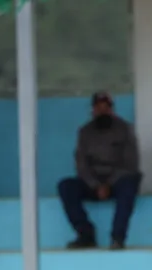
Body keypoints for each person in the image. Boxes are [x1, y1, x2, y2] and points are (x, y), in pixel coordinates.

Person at [57, 91, 141, 250]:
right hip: (93, 183)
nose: (102, 111)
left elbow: (130, 163)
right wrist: (96, 185)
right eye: (98, 108)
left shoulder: (125, 129)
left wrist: (108, 184)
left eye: (105, 108)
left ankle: (117, 238)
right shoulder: (85, 132)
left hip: (117, 181)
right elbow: (81, 164)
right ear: (93, 110)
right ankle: (85, 234)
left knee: (130, 183)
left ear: (111, 110)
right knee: (66, 186)